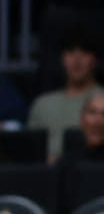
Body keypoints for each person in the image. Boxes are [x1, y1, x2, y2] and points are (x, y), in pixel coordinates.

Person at [28, 28, 100, 162]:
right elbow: (31, 154)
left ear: (95, 59)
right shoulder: (42, 104)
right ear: (62, 58)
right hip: (46, 177)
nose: (77, 60)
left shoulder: (101, 101)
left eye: (84, 52)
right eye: (70, 52)